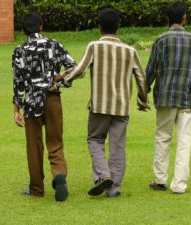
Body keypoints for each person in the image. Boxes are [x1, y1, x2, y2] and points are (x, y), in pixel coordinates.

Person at [62, 8, 150, 197]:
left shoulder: (94, 46)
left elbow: (80, 70)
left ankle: (103, 175)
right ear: (118, 26)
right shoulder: (130, 50)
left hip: (99, 105)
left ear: (99, 26)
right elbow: (142, 78)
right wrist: (143, 100)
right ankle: (114, 189)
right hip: (122, 107)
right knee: (118, 146)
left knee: (95, 139)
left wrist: (65, 80)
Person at [146, 1, 191, 194]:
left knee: (163, 137)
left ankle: (160, 179)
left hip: (165, 96)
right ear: (184, 18)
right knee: (184, 140)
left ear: (168, 19)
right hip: (188, 97)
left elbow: (151, 70)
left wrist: (144, 91)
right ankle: (179, 185)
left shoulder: (161, 40)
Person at [12, 14, 75, 201]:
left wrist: (17, 109)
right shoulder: (55, 44)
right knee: (55, 143)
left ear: (24, 30)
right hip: (52, 98)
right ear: (41, 27)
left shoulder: (19, 50)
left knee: (34, 146)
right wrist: (59, 82)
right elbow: (73, 67)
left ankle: (37, 189)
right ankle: (59, 174)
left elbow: (18, 83)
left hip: (31, 102)